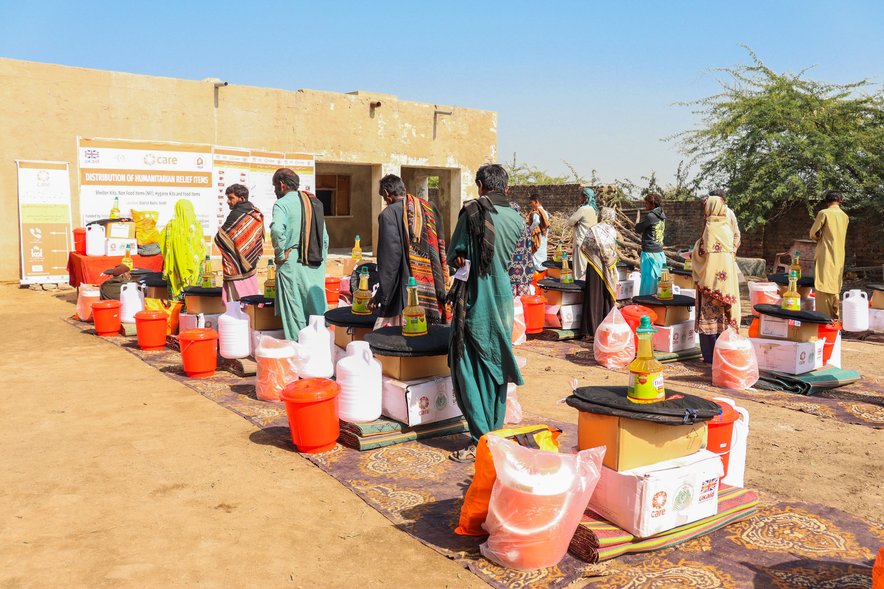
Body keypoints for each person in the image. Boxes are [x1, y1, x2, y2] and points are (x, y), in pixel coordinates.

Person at [447, 164, 525, 462]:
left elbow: (456, 255)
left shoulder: (472, 213)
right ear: (505, 187)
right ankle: (495, 429)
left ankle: (482, 437)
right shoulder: (517, 217)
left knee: (467, 364)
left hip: (477, 295)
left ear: (481, 184)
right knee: (495, 364)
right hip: (503, 295)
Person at [370, 174, 449, 327]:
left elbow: (390, 260)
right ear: (404, 190)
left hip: (405, 289)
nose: (385, 202)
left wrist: (381, 295)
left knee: (397, 334)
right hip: (431, 286)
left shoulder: (388, 214)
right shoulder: (428, 208)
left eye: (384, 198)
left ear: (387, 193)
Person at [270, 168, 328, 339]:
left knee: (294, 308)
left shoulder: (282, 204)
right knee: (316, 307)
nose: (275, 190)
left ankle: (299, 347)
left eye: (275, 186)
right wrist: (321, 261)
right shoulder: (313, 202)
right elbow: (325, 237)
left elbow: (276, 231)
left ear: (281, 185)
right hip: (316, 260)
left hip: (292, 261)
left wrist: (280, 255)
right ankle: (319, 344)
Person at [692, 195, 741, 363]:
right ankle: (723, 354)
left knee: (708, 316)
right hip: (726, 282)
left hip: (710, 281)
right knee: (722, 316)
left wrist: (695, 247)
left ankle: (709, 356)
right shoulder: (726, 228)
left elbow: (701, 252)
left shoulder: (710, 227)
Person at [214, 184, 264, 303]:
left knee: (235, 304)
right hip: (251, 266)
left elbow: (220, 237)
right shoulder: (255, 213)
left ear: (241, 199)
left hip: (235, 269)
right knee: (250, 301)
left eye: (231, 198)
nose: (227, 201)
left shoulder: (236, 214)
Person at [809, 190, 849, 321]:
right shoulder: (845, 216)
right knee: (835, 284)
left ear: (826, 201)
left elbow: (813, 233)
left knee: (822, 283)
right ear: (840, 201)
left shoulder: (824, 213)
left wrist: (820, 236)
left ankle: (823, 319)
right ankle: (835, 317)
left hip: (825, 254)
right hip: (839, 255)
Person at [580, 207, 618, 337]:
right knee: (606, 295)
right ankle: (605, 327)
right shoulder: (613, 231)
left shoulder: (594, 229)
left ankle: (591, 329)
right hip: (608, 267)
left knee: (594, 295)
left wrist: (595, 254)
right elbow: (613, 250)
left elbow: (585, 245)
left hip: (595, 266)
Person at [159, 199, 205, 298]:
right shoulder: (197, 226)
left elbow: (163, 244)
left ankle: (177, 310)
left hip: (176, 267)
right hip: (195, 266)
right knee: (194, 296)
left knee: (177, 301)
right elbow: (201, 247)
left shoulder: (171, 226)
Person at [635, 192, 667, 296]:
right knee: (658, 279)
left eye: (646, 203)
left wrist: (637, 224)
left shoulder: (651, 216)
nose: (645, 205)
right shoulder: (662, 215)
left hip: (650, 253)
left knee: (648, 280)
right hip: (659, 252)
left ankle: (646, 302)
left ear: (653, 204)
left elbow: (639, 229)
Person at [567, 186, 599, 280]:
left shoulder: (584, 209)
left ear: (585, 197)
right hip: (591, 242)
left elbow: (570, 222)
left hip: (581, 242)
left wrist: (577, 222)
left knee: (580, 270)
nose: (579, 198)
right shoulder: (595, 210)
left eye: (581, 196)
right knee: (587, 267)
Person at [527, 194, 550, 271]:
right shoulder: (544, 212)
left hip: (538, 237)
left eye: (531, 202)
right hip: (543, 238)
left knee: (536, 257)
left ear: (536, 202)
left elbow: (536, 221)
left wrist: (529, 230)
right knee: (542, 258)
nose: (530, 204)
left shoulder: (537, 211)